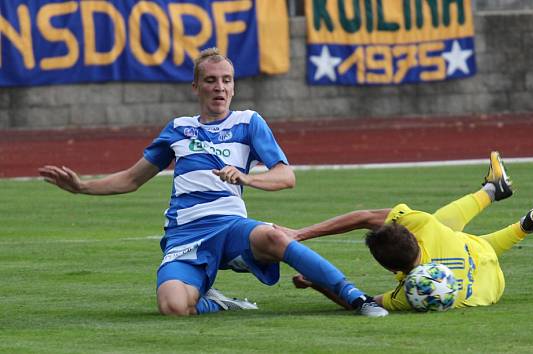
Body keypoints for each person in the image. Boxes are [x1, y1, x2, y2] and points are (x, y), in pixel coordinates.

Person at [38, 48, 388, 317]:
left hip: (230, 224)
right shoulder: (178, 128)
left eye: (226, 80)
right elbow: (131, 179)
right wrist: (81, 186)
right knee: (173, 307)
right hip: (185, 234)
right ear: (196, 87)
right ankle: (219, 303)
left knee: (274, 235)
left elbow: (286, 176)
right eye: (211, 80)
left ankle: (356, 298)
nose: (219, 87)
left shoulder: (249, 122)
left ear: (233, 86)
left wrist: (247, 178)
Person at [282, 151, 533, 311]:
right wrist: (300, 233)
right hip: (473, 253)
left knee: (472, 238)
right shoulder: (424, 225)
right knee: (450, 228)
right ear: (409, 234)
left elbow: (363, 302)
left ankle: (504, 202)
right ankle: (503, 202)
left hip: (489, 289)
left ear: (387, 266)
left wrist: (316, 282)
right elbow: (364, 217)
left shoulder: (411, 293)